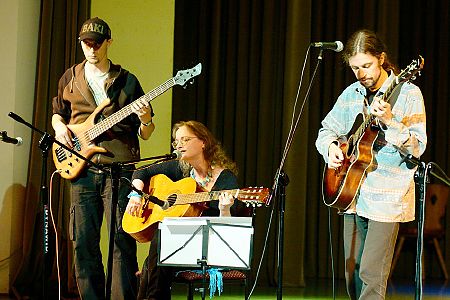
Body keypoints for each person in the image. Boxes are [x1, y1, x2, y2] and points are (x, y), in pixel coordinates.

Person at [315, 29, 427, 299]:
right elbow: (325, 131)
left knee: (371, 274)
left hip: (387, 196)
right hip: (351, 193)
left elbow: (418, 147)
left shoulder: (408, 93)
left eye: (366, 65)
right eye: (355, 68)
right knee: (352, 273)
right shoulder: (351, 94)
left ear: (382, 59)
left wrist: (390, 121)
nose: (361, 73)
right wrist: (331, 148)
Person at [52, 17, 155, 299]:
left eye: (97, 43)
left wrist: (145, 119)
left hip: (119, 170)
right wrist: (61, 129)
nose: (92, 49)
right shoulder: (70, 77)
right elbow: (57, 113)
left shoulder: (127, 81)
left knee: (122, 241)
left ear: (108, 42)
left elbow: (146, 133)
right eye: (86, 44)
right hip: (81, 168)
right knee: (83, 243)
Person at [125, 120, 241, 300]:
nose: (179, 145)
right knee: (159, 250)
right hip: (174, 248)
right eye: (176, 141)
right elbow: (141, 172)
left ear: (203, 142)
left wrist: (224, 210)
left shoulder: (225, 179)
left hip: (206, 250)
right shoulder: (180, 169)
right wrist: (136, 196)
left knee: (158, 249)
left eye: (185, 139)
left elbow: (228, 232)